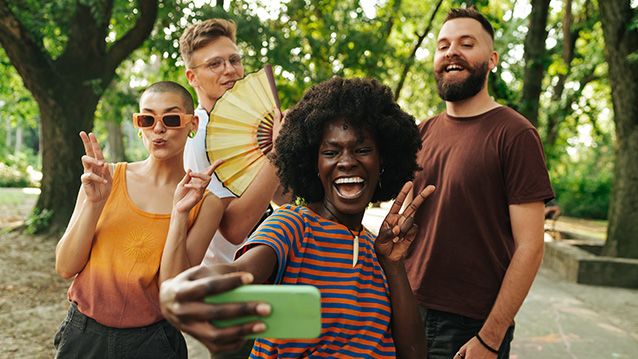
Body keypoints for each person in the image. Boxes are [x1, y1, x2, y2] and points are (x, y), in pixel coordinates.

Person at [159, 77, 435, 358]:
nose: (346, 161)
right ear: (313, 164)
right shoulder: (293, 224)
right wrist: (196, 288)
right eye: (330, 152)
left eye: (362, 150)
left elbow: (413, 353)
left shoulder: (378, 253)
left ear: (383, 160)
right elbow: (238, 273)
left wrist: (393, 264)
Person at [403, 7, 556, 359]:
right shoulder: (420, 133)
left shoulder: (515, 134)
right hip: (406, 310)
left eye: (466, 43)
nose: (451, 51)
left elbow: (531, 247)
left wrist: (491, 337)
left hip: (469, 326)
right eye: (443, 46)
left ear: (492, 60)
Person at [53, 81, 224, 359]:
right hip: (83, 336)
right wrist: (94, 204)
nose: (158, 128)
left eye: (170, 118)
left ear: (192, 123)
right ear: (139, 124)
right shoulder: (104, 178)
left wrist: (179, 214)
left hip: (154, 342)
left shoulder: (205, 204)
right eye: (147, 118)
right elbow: (65, 266)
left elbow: (173, 291)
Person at [179, 18, 285, 266]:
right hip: (219, 282)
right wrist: (278, 154)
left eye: (234, 60)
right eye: (215, 64)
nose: (230, 70)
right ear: (192, 77)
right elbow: (233, 228)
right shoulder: (197, 134)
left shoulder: (252, 129)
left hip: (256, 274)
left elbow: (285, 199)